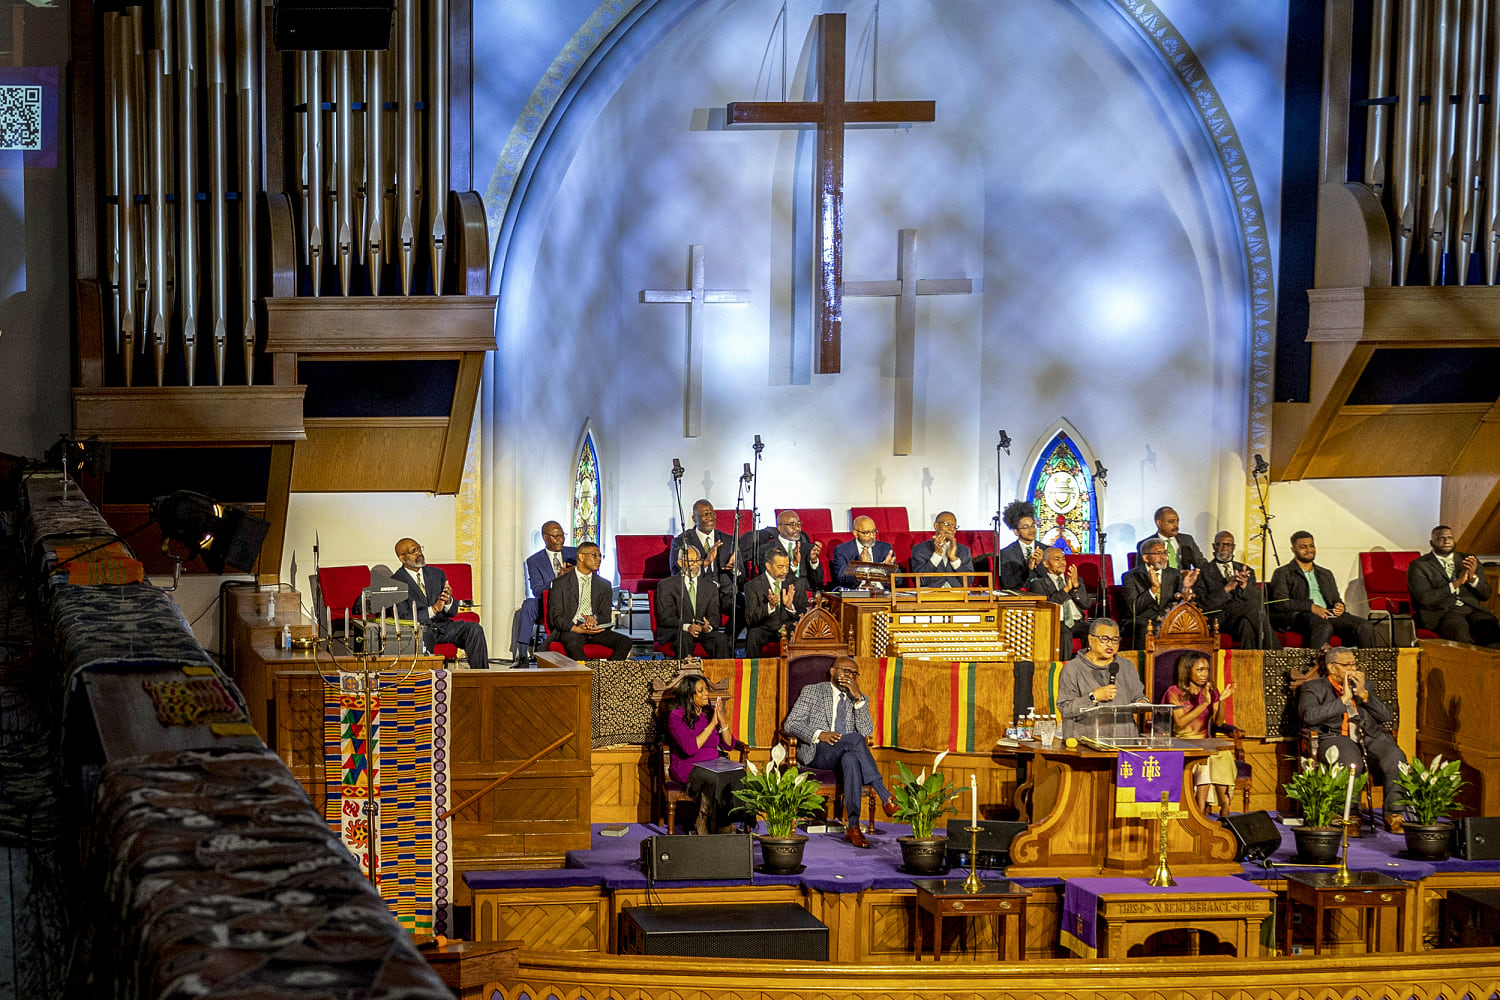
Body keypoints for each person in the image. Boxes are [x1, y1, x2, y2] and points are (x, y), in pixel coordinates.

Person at [782, 656, 898, 848]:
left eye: (854, 673)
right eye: (846, 671)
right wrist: (820, 734)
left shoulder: (858, 698)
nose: (850, 676)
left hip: (846, 752)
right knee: (854, 739)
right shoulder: (813, 691)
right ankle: (885, 794)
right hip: (818, 752)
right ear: (833, 671)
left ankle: (853, 827)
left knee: (851, 758)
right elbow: (792, 723)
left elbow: (866, 732)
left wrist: (859, 699)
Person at [1297, 645, 1407, 832]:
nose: (1353, 669)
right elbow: (1309, 716)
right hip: (1335, 736)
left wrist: (1364, 695)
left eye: (1355, 664)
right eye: (1347, 665)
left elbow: (1387, 716)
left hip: (1370, 736)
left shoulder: (1366, 686)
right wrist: (1343, 700)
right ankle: (1351, 815)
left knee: (1396, 758)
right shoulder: (1313, 687)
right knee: (1350, 762)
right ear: (1332, 667)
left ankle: (1394, 813)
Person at [1269, 531, 1378, 648]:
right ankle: (1316, 665)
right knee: (1323, 626)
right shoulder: (1283, 573)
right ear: (1293, 549)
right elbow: (1280, 603)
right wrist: (1310, 607)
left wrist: (1339, 606)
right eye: (1303, 547)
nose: (1309, 550)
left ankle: (1368, 664)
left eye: (1311, 546)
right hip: (1300, 615)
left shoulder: (1325, 573)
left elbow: (1336, 598)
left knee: (1365, 626)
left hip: (1329, 613)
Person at [663, 674, 742, 834]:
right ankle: (709, 825)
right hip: (687, 766)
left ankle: (720, 823)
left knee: (736, 774)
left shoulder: (709, 712)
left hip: (714, 764)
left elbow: (728, 745)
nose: (707, 693)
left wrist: (722, 720)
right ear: (689, 695)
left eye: (706, 689)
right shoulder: (676, 716)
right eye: (701, 690)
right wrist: (712, 724)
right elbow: (690, 748)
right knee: (711, 779)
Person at [392, 538, 489, 667]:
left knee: (474, 629)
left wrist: (448, 602)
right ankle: (430, 683)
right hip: (421, 630)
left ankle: (481, 679)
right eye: (413, 551)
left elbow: (453, 612)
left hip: (444, 626)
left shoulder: (437, 574)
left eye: (419, 548)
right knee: (424, 638)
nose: (419, 553)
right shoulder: (396, 582)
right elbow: (404, 616)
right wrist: (434, 609)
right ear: (402, 558)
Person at [1163, 651, 1236, 816]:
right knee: (1204, 762)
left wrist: (1221, 701)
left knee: (1222, 756)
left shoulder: (1210, 689)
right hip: (1183, 741)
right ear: (1188, 670)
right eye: (1200, 670)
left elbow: (1218, 722)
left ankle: (1225, 806)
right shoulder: (1174, 692)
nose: (1205, 674)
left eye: (1207, 670)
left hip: (1206, 741)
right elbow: (1181, 722)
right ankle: (1200, 808)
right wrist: (1204, 704)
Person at [1407, 524, 1500, 648]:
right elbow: (1426, 599)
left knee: (1489, 627)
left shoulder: (1468, 559)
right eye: (1441, 538)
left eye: (1449, 538)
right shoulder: (1419, 565)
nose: (1446, 541)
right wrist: (1456, 583)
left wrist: (1472, 579)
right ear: (1431, 542)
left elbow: (1486, 595)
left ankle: (1493, 665)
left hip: (1471, 609)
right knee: (1458, 631)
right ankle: (1466, 665)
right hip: (1443, 612)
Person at [1056, 618, 1147, 740]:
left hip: (1124, 741)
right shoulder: (1073, 668)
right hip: (1087, 742)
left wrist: (1142, 702)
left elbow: (1138, 695)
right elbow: (1065, 708)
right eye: (1104, 639)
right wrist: (1093, 697)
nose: (1110, 644)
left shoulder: (1127, 666)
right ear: (1090, 639)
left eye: (1115, 640)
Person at [544, 540, 633, 660]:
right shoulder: (560, 584)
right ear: (581, 556)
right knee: (573, 644)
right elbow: (556, 617)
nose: (599, 559)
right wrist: (576, 628)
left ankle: (607, 676)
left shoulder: (604, 585)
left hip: (595, 629)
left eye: (600, 556)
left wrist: (594, 619)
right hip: (571, 630)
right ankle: (587, 677)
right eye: (594, 555)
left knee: (625, 642)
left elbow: (605, 615)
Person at [1194, 531, 1278, 649]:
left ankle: (1249, 665)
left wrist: (1245, 586)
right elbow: (1202, 604)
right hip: (1218, 618)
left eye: (1228, 545)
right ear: (1214, 547)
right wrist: (1227, 588)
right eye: (1220, 544)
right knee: (1252, 607)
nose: (1224, 548)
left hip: (1240, 618)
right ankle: (1275, 651)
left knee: (1246, 625)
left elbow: (1259, 599)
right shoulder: (1203, 571)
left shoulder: (1246, 570)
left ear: (1233, 547)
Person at [669, 499, 739, 621]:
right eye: (705, 514)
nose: (710, 517)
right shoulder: (682, 541)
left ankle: (728, 639)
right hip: (698, 594)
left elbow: (742, 576)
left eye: (712, 513)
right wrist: (705, 563)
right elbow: (677, 573)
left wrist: (734, 570)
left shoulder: (729, 540)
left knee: (743, 608)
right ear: (694, 518)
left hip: (725, 594)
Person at [655, 546, 731, 658]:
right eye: (691, 561)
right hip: (677, 630)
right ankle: (686, 674)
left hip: (702, 631)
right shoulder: (667, 585)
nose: (696, 564)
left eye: (698, 560)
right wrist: (687, 626)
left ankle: (722, 674)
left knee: (721, 639)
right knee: (684, 638)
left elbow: (715, 616)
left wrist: (707, 626)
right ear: (680, 563)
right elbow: (666, 617)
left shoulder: (710, 586)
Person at [1122, 538, 1196, 648]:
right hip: (1141, 621)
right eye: (1158, 553)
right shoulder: (1131, 577)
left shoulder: (1175, 574)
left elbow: (1180, 603)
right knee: (1145, 628)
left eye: (1165, 553)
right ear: (1146, 558)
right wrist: (1153, 589)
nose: (1164, 557)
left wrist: (1186, 589)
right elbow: (1134, 608)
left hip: (1168, 620)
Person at [517, 521, 576, 659]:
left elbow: (592, 570)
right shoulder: (534, 561)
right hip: (548, 603)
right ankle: (522, 654)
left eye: (562, 536)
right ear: (545, 537)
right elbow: (537, 590)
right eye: (556, 537)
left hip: (572, 602)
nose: (560, 540)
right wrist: (558, 578)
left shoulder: (575, 553)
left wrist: (577, 573)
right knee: (529, 604)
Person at [1027, 546, 1092, 659]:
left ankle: (1088, 667)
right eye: (1057, 559)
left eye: (1063, 559)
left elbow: (1086, 604)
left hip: (1077, 621)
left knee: (1093, 629)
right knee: (1065, 635)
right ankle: (1063, 668)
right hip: (1056, 622)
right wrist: (1065, 590)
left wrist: (1075, 586)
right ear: (1046, 564)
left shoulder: (1076, 580)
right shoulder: (1039, 583)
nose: (1062, 562)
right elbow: (1047, 607)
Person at [742, 550, 808, 657]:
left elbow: (806, 612)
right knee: (753, 635)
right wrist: (769, 607)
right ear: (768, 566)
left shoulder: (797, 583)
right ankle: (754, 671)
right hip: (765, 628)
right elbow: (750, 618)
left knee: (802, 633)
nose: (785, 571)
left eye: (787, 566)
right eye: (780, 567)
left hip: (790, 627)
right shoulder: (752, 586)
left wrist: (790, 607)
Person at [751, 510, 823, 591]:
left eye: (799, 524)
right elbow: (769, 579)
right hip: (779, 593)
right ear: (780, 528)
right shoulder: (766, 550)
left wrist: (814, 561)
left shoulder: (808, 548)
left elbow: (818, 581)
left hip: (805, 595)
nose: (797, 528)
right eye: (792, 525)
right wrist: (794, 564)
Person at [909, 511, 974, 587]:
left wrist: (954, 559)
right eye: (947, 524)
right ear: (936, 526)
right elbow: (920, 581)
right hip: (931, 596)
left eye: (954, 526)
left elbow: (968, 581)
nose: (951, 529)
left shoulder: (964, 550)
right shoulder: (920, 549)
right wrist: (937, 555)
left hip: (957, 595)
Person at [829, 515, 895, 589]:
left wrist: (889, 569)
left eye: (874, 531)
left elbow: (899, 580)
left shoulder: (885, 548)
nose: (872, 536)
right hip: (857, 594)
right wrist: (861, 566)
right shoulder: (842, 550)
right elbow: (841, 579)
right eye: (867, 532)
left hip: (883, 593)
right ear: (856, 533)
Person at [1136, 506, 1206, 571]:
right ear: (1159, 523)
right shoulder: (1145, 544)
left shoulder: (1187, 540)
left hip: (1187, 582)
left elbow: (1201, 563)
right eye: (1171, 521)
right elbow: (1142, 571)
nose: (1176, 525)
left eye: (1177, 521)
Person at [997, 500, 1045, 591]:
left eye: (1033, 525)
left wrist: (1040, 565)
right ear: (1016, 531)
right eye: (1026, 527)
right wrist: (1029, 568)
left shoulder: (1047, 550)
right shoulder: (1006, 554)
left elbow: (1054, 580)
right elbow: (1007, 584)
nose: (1032, 530)